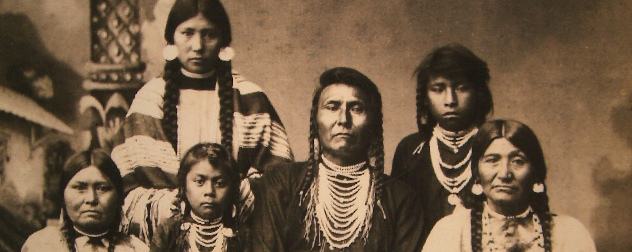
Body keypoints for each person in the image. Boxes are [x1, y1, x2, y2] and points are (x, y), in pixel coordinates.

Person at [110, 0, 293, 242]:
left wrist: (237, 196)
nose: (197, 46)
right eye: (187, 33)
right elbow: (121, 184)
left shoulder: (249, 98)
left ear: (223, 41)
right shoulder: (150, 99)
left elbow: (281, 179)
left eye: (208, 34)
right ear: (172, 39)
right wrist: (173, 205)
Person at [252, 67, 423, 251]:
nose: (343, 119)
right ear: (315, 121)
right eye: (332, 107)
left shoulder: (401, 198)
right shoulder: (281, 182)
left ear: (372, 125)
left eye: (356, 109)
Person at [422, 119, 597, 252]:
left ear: (536, 174)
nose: (505, 173)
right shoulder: (451, 231)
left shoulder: (569, 233)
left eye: (517, 161)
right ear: (477, 174)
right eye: (492, 160)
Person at [390, 43, 493, 244]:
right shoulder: (411, 150)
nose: (450, 100)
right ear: (425, 97)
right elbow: (399, 224)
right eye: (438, 89)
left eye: (462, 88)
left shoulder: (495, 145)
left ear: (478, 93)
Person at [22, 149, 149, 252]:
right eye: (79, 188)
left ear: (119, 197)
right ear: (63, 195)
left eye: (102, 188)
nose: (91, 199)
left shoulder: (135, 249)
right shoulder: (41, 245)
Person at [150, 143, 244, 252]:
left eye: (219, 183)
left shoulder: (241, 234)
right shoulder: (169, 231)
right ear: (184, 186)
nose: (209, 191)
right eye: (199, 182)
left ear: (231, 189)